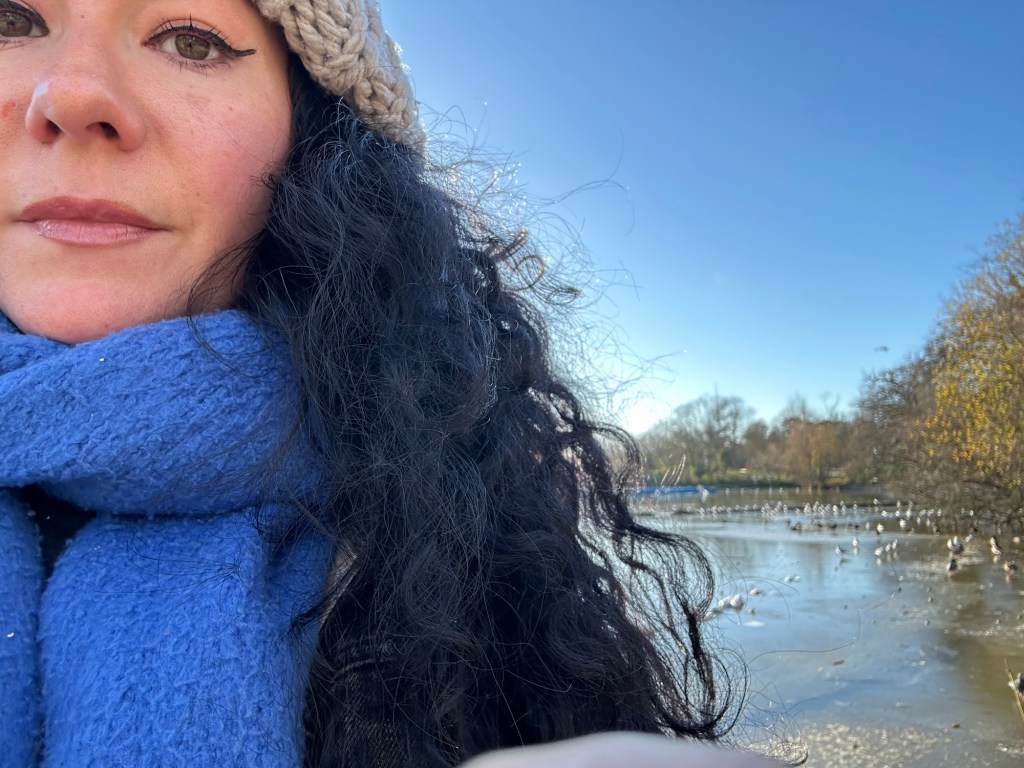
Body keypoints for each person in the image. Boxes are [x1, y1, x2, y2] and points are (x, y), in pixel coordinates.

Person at [0, 1, 779, 766]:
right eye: (11, 22)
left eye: (191, 40)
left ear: (315, 137)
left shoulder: (463, 542)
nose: (72, 95)